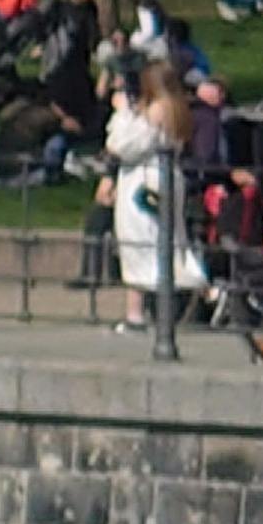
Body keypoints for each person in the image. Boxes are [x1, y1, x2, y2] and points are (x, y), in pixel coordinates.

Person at [106, 59, 206, 334]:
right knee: (166, 241)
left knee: (139, 243)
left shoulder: (156, 111)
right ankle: (157, 306)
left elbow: (121, 145)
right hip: (165, 178)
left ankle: (138, 313)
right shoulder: (175, 109)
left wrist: (123, 113)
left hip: (143, 181)